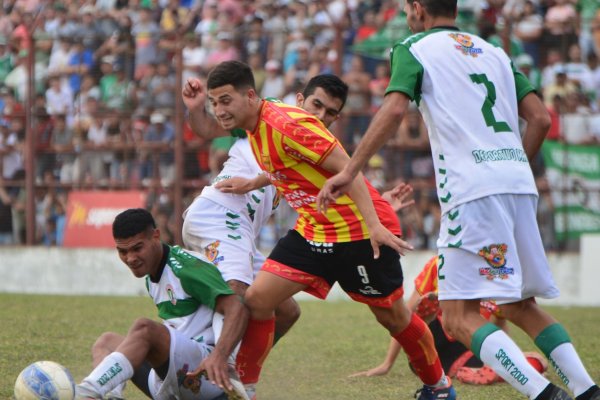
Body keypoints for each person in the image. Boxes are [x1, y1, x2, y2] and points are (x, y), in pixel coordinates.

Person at [316, 0, 600, 399]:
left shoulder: (414, 47)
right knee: (519, 304)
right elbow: (540, 119)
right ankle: (588, 391)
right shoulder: (495, 52)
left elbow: (395, 108)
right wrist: (510, 164)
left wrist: (349, 171)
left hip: (472, 189)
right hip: (517, 182)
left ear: (417, 8)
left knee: (457, 318)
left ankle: (542, 394)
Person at [188, 60, 456, 400]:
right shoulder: (258, 126)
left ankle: (439, 386)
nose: (219, 110)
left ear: (251, 96)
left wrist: (375, 224)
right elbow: (286, 164)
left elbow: (350, 170)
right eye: (215, 102)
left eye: (225, 101)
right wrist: (254, 181)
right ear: (301, 99)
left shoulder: (288, 125)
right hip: (314, 229)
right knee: (257, 298)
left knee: (394, 318)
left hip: (359, 230)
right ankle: (245, 389)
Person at [181, 73, 414, 348]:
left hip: (244, 228)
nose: (321, 115)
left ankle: (226, 365)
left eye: (330, 112)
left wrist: (379, 205)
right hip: (223, 214)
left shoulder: (311, 150)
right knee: (239, 294)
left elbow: (339, 181)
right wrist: (196, 109)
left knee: (287, 311)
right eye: (316, 105)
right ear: (300, 100)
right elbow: (209, 130)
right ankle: (210, 365)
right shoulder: (262, 120)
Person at [74, 208, 249, 400]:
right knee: (106, 342)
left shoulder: (186, 268)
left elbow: (237, 307)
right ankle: (111, 395)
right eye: (123, 251)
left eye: (137, 248)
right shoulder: (152, 273)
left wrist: (220, 357)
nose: (130, 258)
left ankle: (87, 392)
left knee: (145, 329)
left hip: (205, 375)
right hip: (173, 376)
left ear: (155, 236)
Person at [349, 255, 548, 385]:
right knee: (537, 360)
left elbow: (402, 319)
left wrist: (387, 365)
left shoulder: (442, 264)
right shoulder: (496, 275)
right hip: (447, 340)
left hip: (437, 356)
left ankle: (485, 368)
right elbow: (501, 328)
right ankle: (433, 320)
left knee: (536, 361)